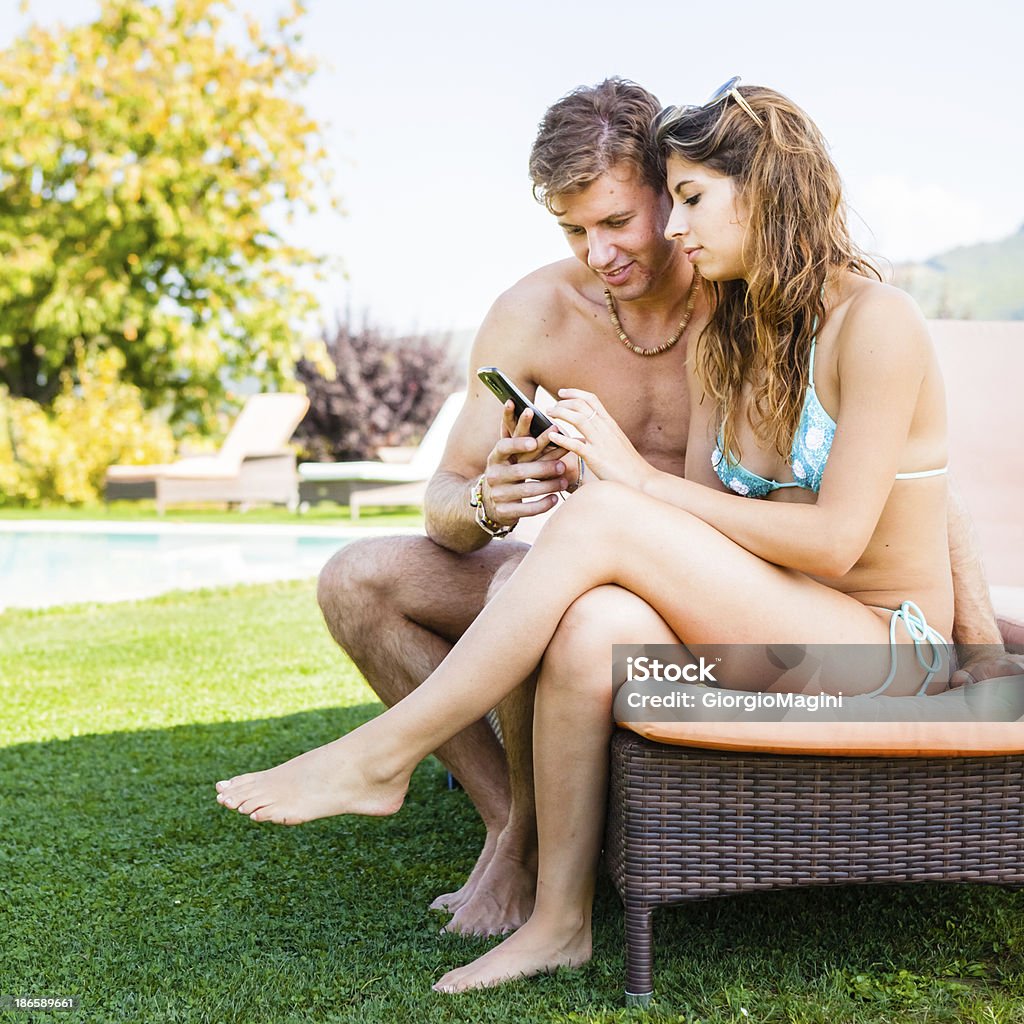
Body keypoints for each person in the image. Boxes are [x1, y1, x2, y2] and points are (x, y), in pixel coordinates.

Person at [216, 79, 1020, 992]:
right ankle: (560, 919)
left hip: (887, 647)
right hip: (779, 619)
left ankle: (380, 755)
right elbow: (708, 518)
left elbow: (844, 538)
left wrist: (630, 488)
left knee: (603, 515)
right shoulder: (735, 332)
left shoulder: (876, 323)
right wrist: (528, 498)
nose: (670, 232)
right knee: (592, 618)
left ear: (763, 186)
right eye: (580, 230)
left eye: (685, 202)